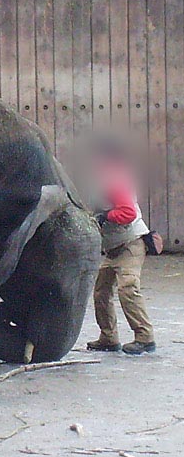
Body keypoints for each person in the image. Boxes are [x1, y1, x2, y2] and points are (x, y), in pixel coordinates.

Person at [87, 139, 155, 355]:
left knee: (128, 288)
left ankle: (145, 338)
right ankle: (108, 338)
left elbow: (128, 213)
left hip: (130, 245)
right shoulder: (107, 179)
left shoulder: (115, 180)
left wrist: (105, 216)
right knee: (101, 292)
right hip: (113, 248)